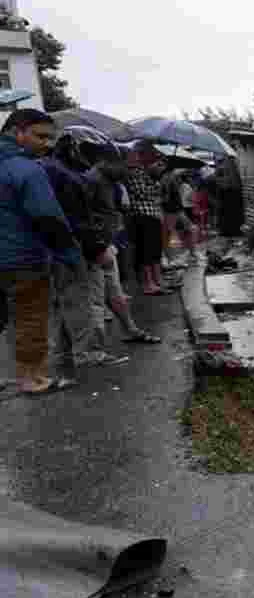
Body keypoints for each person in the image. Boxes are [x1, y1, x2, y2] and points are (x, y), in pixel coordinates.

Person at [0, 108, 79, 395]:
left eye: (50, 138)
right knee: (30, 319)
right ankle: (31, 379)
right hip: (23, 259)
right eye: (40, 136)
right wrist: (71, 256)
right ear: (16, 132)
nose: (47, 144)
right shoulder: (27, 169)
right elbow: (48, 217)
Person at [41, 125, 131, 371]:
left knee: (65, 305)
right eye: (92, 154)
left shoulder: (51, 170)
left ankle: (64, 355)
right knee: (82, 301)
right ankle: (89, 353)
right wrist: (97, 249)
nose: (95, 161)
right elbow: (77, 220)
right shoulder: (67, 177)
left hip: (53, 250)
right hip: (71, 249)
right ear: (75, 149)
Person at [79, 131, 162, 346]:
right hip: (93, 247)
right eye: (125, 167)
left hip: (106, 244)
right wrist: (97, 243)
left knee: (114, 291)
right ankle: (91, 349)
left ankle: (131, 330)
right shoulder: (91, 180)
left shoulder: (110, 180)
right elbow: (81, 216)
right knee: (96, 298)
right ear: (108, 162)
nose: (128, 173)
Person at [122, 141, 172, 296]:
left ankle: (158, 281)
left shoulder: (144, 172)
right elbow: (143, 193)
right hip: (142, 216)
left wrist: (155, 179)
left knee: (155, 251)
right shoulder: (134, 172)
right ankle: (148, 284)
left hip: (153, 215)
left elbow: (157, 196)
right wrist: (155, 184)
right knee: (146, 253)